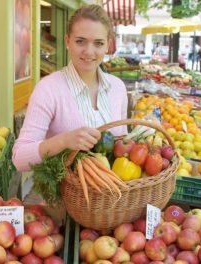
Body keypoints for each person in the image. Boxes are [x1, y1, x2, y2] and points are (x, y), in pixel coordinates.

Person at [12, 4, 128, 174]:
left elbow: (123, 146)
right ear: (67, 41)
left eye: (98, 43)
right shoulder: (48, 89)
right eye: (80, 41)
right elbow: (19, 158)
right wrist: (64, 140)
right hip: (65, 197)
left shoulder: (118, 88)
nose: (89, 52)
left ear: (107, 45)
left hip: (114, 197)